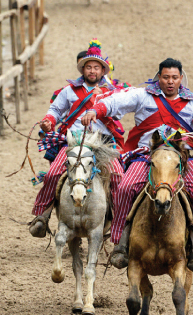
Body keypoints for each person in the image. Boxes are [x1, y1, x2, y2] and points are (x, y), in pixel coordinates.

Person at [83, 57, 193, 274]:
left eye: (174, 78)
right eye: (166, 77)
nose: (170, 81)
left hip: (180, 159)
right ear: (159, 77)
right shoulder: (142, 96)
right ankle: (120, 241)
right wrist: (97, 110)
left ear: (181, 79)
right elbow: (115, 102)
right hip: (146, 156)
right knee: (125, 187)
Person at [29, 40, 125, 238]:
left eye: (96, 68)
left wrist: (103, 101)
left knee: (118, 177)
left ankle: (121, 222)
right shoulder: (69, 91)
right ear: (83, 69)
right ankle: (42, 215)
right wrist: (48, 121)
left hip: (102, 144)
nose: (92, 71)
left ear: (103, 71)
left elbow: (118, 115)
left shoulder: (112, 93)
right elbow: (56, 110)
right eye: (88, 67)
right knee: (53, 174)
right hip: (73, 141)